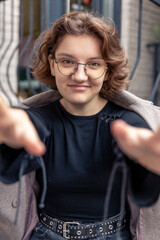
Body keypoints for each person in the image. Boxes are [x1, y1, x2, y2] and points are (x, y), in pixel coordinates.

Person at [0, 11, 159, 240]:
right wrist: (10, 140)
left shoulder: (126, 122)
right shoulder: (40, 118)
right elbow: (25, 130)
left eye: (93, 64)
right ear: (53, 65)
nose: (80, 75)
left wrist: (146, 161)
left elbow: (138, 148)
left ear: (107, 70)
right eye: (67, 61)